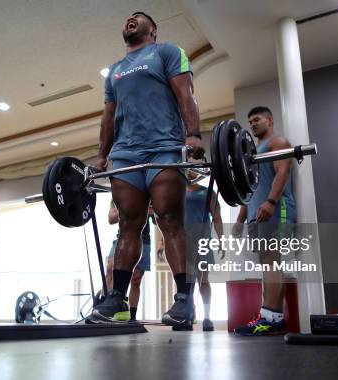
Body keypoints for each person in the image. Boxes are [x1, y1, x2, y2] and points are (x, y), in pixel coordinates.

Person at [91, 11, 204, 328]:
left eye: (138, 17)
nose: (130, 19)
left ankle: (183, 300)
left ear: (152, 30)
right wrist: (101, 156)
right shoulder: (114, 71)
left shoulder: (167, 52)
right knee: (128, 225)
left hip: (164, 146)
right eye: (127, 17)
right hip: (125, 153)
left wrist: (193, 133)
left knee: (170, 219)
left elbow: (185, 93)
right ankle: (116, 300)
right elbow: (108, 116)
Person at [234, 106, 296, 336]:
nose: (252, 124)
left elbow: (283, 172)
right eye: (250, 121)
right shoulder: (253, 152)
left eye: (257, 119)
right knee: (267, 263)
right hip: (255, 214)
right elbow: (249, 187)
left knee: (271, 261)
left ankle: (269, 316)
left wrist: (271, 201)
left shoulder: (277, 142)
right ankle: (273, 317)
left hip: (275, 209)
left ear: (270, 120)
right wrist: (241, 219)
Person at [185, 171, 223, 331]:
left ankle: (207, 317)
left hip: (202, 239)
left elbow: (217, 217)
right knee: (186, 282)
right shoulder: (177, 191)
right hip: (184, 240)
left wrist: (221, 240)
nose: (191, 171)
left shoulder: (207, 192)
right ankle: (187, 315)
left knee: (203, 280)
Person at [105, 201, 153, 321]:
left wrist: (151, 209)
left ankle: (132, 316)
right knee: (110, 268)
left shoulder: (148, 194)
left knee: (136, 279)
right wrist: (130, 207)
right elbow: (111, 219)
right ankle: (104, 306)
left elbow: (157, 221)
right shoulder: (118, 196)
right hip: (123, 237)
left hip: (144, 239)